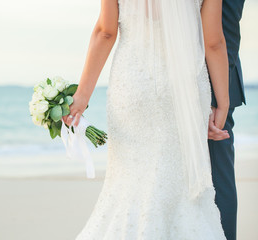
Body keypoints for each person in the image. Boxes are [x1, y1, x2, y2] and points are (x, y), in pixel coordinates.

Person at [63, 0, 229, 238]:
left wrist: (82, 96)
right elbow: (214, 42)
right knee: (181, 188)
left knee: (128, 183)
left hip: (133, 84)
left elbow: (106, 32)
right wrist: (222, 104)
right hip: (184, 90)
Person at [207, 0, 246, 239]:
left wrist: (218, 97)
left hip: (214, 81)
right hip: (196, 83)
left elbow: (225, 23)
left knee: (218, 180)